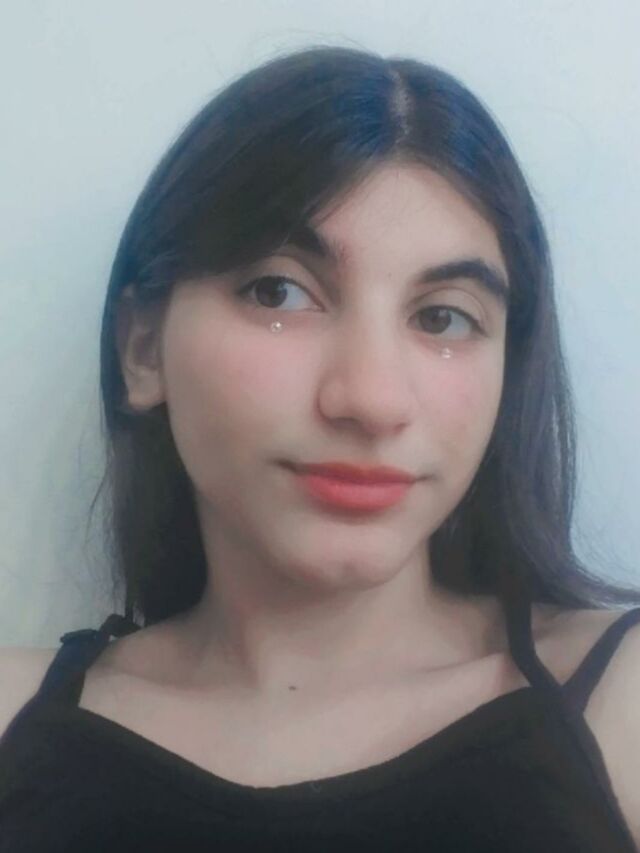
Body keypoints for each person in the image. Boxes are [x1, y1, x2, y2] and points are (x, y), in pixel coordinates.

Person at [0, 44, 639, 852]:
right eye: (279, 292)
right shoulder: (15, 719)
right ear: (143, 349)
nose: (371, 399)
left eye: (443, 317)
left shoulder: (621, 700)